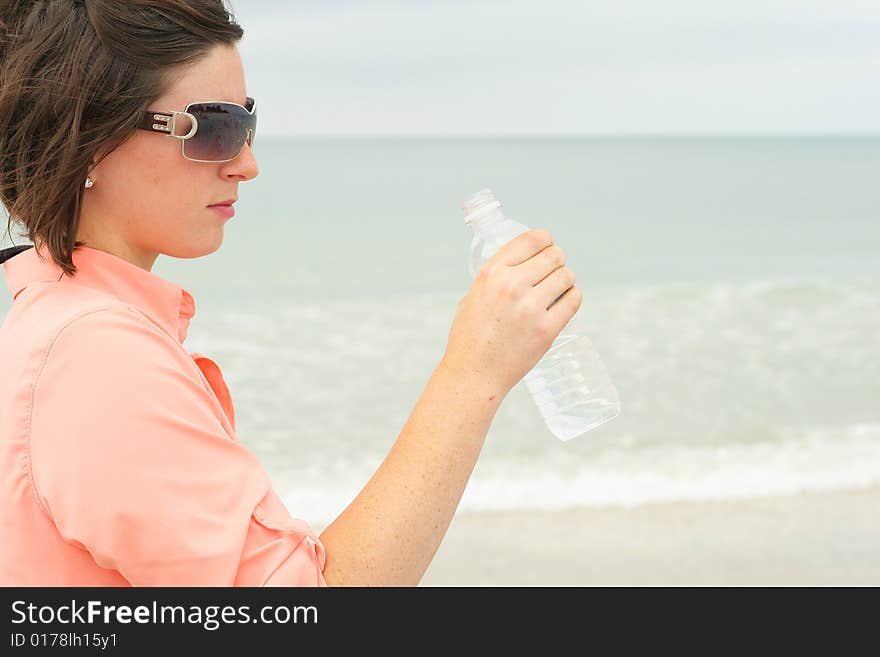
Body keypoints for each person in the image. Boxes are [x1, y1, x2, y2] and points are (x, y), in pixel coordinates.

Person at [0, 0, 581, 586]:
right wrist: (473, 373)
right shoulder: (96, 357)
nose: (246, 164)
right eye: (214, 128)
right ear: (91, 138)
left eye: (246, 124)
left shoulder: (56, 321)